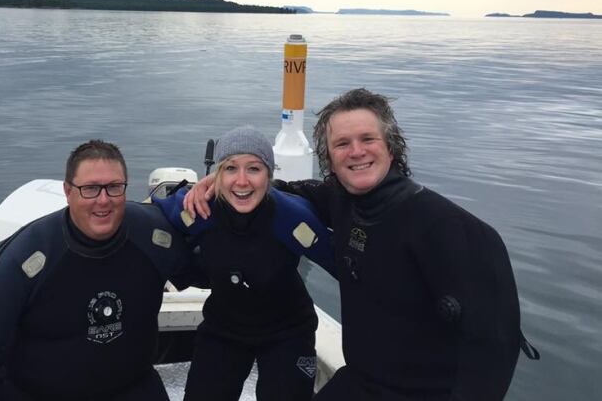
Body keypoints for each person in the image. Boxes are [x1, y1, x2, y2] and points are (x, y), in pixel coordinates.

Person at [185, 89, 530, 400]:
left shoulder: (452, 229)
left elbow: (496, 347)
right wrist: (216, 184)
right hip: (363, 382)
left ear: (391, 147)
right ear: (329, 158)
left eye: (368, 139)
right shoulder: (341, 201)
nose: (356, 152)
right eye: (342, 144)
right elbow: (282, 194)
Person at [0, 140, 196, 401]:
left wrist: (222, 206)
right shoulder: (29, 254)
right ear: (68, 192)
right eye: (90, 189)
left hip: (131, 387)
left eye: (114, 187)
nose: (103, 200)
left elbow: (210, 269)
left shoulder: (152, 236)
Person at [152, 126, 336, 401]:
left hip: (288, 331)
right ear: (217, 176)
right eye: (230, 169)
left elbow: (348, 268)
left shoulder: (292, 218)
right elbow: (145, 218)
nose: (241, 181)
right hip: (224, 328)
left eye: (254, 169)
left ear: (269, 175)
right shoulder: (198, 209)